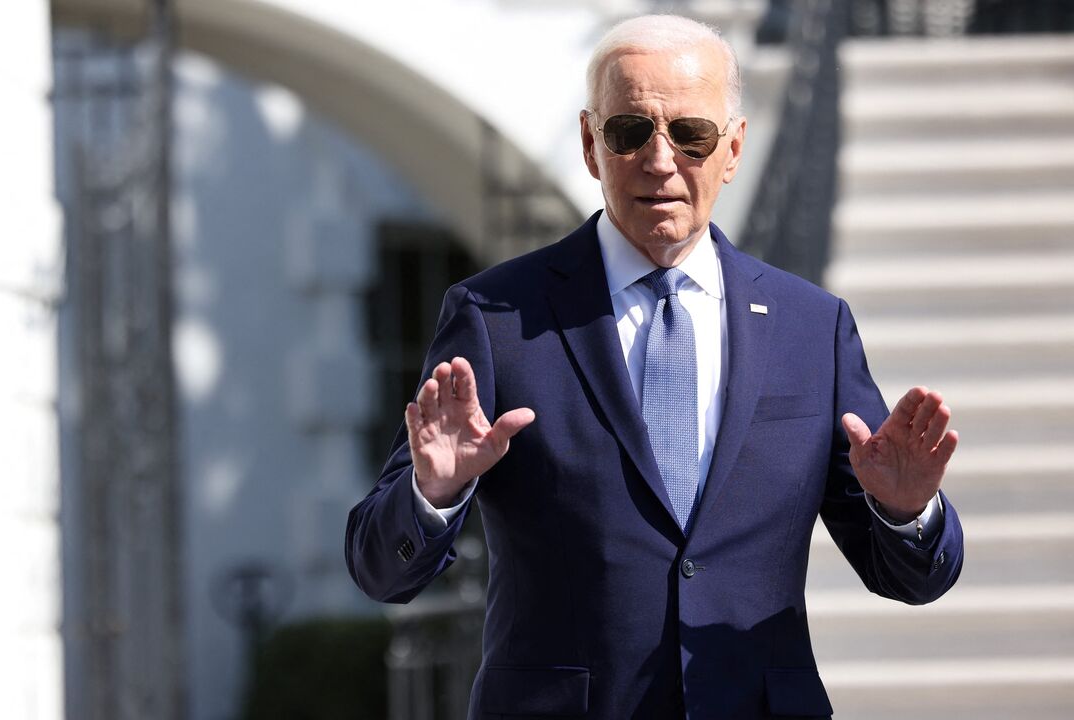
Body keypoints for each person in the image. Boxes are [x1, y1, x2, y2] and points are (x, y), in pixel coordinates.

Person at [345, 14, 963, 720]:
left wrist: (906, 511)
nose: (660, 160)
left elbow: (914, 580)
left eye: (691, 135)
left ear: (732, 149)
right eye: (630, 131)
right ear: (589, 143)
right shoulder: (496, 317)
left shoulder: (809, 328)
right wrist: (433, 492)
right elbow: (378, 567)